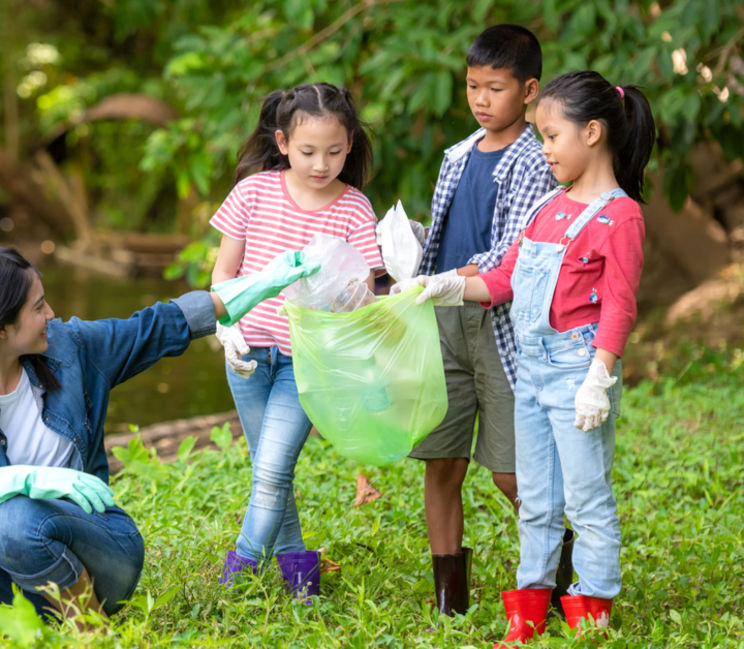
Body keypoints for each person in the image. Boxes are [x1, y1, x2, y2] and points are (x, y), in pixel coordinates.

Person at [0, 246, 317, 623]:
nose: (50, 313)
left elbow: (162, 324)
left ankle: (90, 632)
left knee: (14, 521)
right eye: (37, 307)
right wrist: (13, 481)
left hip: (100, 557)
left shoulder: (73, 349)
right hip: (10, 570)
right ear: (1, 329)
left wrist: (262, 283)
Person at [398, 70, 656, 645]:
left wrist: (599, 376)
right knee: (536, 499)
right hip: (534, 371)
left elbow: (619, 305)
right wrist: (439, 287)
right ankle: (528, 617)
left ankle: (592, 613)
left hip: (577, 370)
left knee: (587, 497)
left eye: (550, 136)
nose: (543, 150)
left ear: (592, 133)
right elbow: (505, 279)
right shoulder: (548, 206)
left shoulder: (622, 216)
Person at [210, 82, 383, 603]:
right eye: (308, 151)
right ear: (283, 142)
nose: (321, 164)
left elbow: (365, 294)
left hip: (306, 362)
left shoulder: (354, 208)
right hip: (246, 356)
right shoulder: (252, 193)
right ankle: (301, 578)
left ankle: (232, 578)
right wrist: (226, 327)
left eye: (334, 151)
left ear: (350, 144)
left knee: (270, 469)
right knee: (271, 468)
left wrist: (356, 296)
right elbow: (224, 273)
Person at [406, 24, 556, 618]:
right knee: (442, 463)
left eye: (494, 88)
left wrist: (455, 275)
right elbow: (441, 240)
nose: (480, 99)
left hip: (499, 327)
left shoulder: (533, 160)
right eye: (472, 86)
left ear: (529, 90)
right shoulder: (458, 155)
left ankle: (556, 571)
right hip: (444, 321)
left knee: (510, 473)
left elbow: (514, 251)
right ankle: (450, 601)